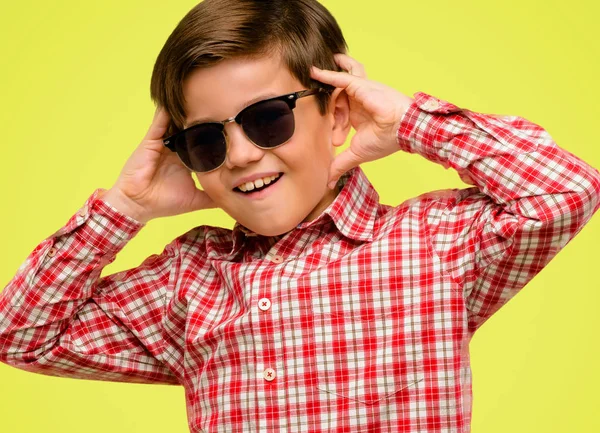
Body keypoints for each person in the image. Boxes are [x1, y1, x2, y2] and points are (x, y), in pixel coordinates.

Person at [1, 0, 599, 431]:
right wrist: (125, 207)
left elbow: (567, 190)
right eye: (207, 140)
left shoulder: (433, 247)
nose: (239, 156)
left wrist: (409, 122)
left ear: (337, 114)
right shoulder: (188, 282)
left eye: (267, 119)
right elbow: (20, 335)